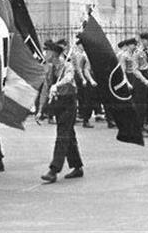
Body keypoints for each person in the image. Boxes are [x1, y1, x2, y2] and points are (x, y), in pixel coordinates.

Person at [40, 39, 83, 183]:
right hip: (58, 104)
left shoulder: (67, 65)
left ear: (54, 53)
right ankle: (77, 166)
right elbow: (45, 89)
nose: (45, 53)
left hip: (69, 103)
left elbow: (69, 78)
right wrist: (40, 110)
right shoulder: (50, 68)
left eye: (47, 51)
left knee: (62, 135)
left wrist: (57, 85)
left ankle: (54, 170)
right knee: (69, 135)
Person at [118, 38, 148, 135]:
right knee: (132, 103)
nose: (135, 46)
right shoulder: (124, 55)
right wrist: (127, 83)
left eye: (135, 44)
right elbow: (122, 71)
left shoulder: (138, 54)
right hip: (129, 78)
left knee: (141, 103)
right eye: (133, 44)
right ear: (129, 45)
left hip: (137, 78)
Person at [73, 35, 97, 128]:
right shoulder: (80, 54)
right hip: (82, 78)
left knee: (85, 99)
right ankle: (85, 119)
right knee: (85, 99)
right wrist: (83, 79)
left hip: (85, 77)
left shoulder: (83, 54)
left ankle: (84, 117)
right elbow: (79, 69)